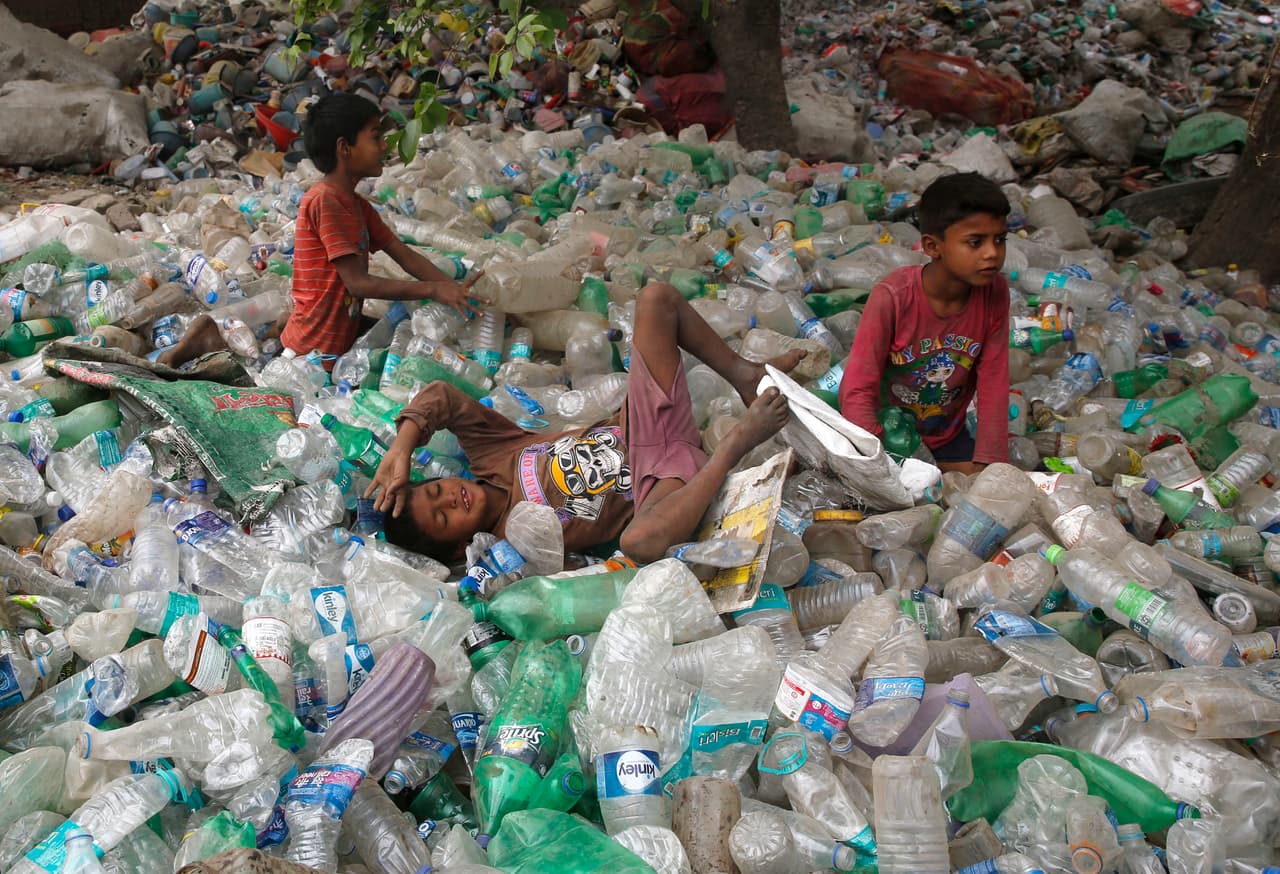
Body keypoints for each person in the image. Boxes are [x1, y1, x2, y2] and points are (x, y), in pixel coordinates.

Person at [365, 282, 801, 564]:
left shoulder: (491, 455)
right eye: (444, 518)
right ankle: (736, 445)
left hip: (641, 425)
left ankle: (745, 376)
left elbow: (441, 397)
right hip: (659, 488)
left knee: (655, 300)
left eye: (437, 491)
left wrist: (401, 448)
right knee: (639, 543)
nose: (451, 499)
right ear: (461, 546)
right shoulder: (509, 546)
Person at [160, 92, 484, 368]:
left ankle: (263, 330)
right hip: (314, 348)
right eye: (375, 136)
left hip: (338, 331)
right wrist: (432, 291)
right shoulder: (326, 202)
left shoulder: (357, 206)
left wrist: (455, 289)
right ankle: (212, 336)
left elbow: (404, 254)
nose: (384, 145)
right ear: (345, 148)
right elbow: (356, 284)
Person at [838, 171, 1011, 474]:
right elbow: (857, 388)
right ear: (932, 247)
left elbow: (994, 381)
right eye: (975, 242)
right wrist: (876, 458)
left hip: (946, 436)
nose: (992, 253)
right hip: (887, 435)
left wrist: (990, 463)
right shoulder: (893, 298)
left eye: (999, 240)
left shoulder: (994, 293)